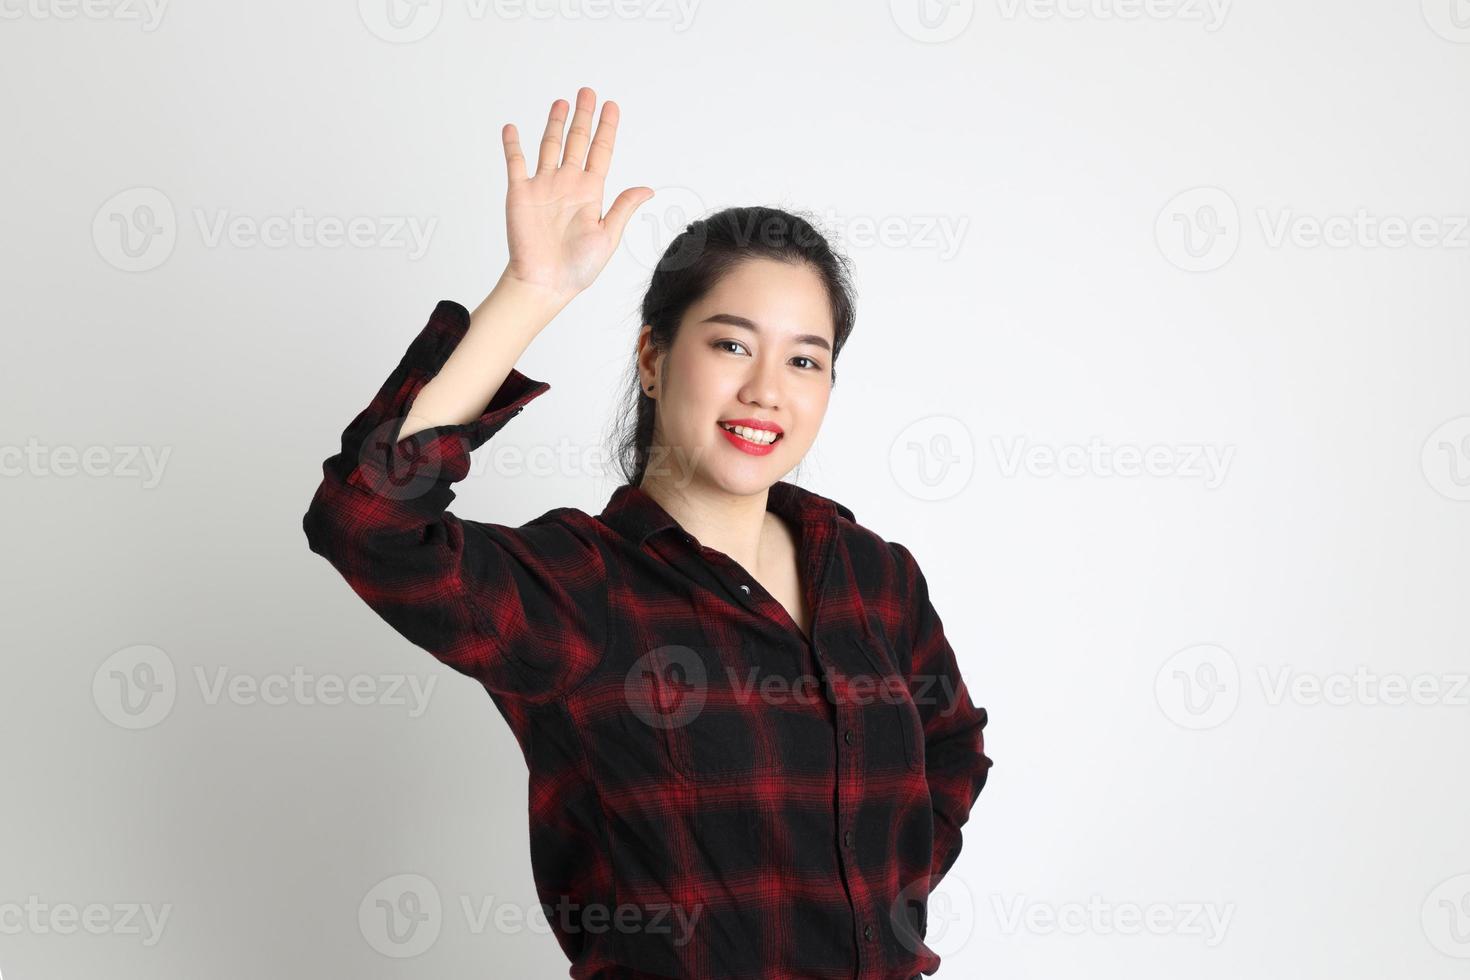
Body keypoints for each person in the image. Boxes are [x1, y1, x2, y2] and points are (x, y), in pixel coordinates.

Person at [302, 86, 992, 979]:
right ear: (654, 359)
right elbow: (366, 520)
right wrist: (530, 291)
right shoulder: (580, 587)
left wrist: (873, 904)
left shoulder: (874, 577)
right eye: (732, 345)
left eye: (805, 359)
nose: (767, 392)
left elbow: (952, 747)